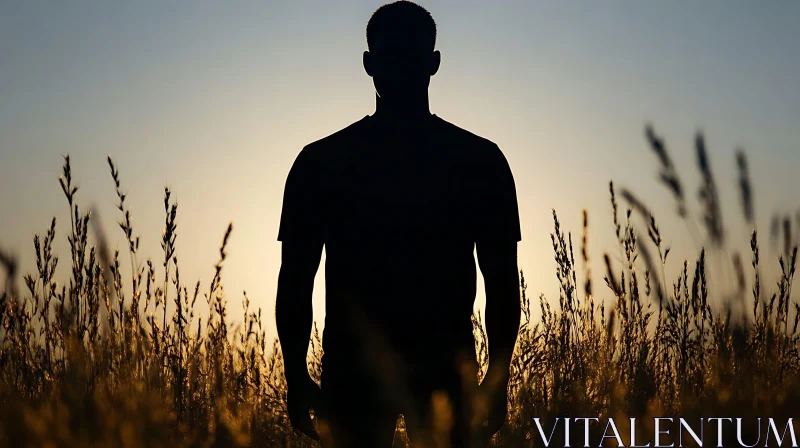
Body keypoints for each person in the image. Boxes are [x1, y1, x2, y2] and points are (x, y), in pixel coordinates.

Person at [275, 1, 522, 446]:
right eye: (393, 57)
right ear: (371, 64)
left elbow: (502, 280)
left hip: (420, 375)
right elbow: (294, 279)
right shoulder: (477, 159)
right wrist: (295, 375)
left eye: (409, 56)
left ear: (432, 63)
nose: (401, 68)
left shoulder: (324, 161)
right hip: (367, 375)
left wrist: (497, 380)